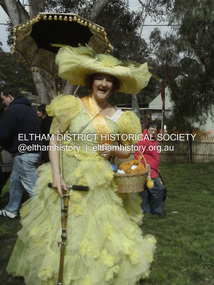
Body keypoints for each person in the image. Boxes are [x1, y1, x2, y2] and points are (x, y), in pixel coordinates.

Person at [7, 46, 156, 284]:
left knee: (97, 234)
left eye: (109, 80)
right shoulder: (72, 105)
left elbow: (127, 151)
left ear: (115, 86)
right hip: (65, 176)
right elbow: (54, 140)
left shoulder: (121, 117)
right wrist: (56, 176)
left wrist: (114, 149)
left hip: (99, 183)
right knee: (59, 232)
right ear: (91, 81)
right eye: (99, 78)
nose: (104, 84)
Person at [0, 86, 41, 218]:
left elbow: (4, 134)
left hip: (23, 154)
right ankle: (11, 210)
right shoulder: (31, 109)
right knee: (15, 182)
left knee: (34, 189)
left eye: (3, 99)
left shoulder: (13, 109)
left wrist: (5, 145)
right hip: (33, 151)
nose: (2, 102)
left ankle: (48, 216)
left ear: (10, 97)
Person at [134, 121, 165, 216]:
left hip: (153, 169)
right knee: (158, 189)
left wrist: (156, 167)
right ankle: (157, 210)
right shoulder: (143, 139)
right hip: (147, 170)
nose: (154, 131)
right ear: (146, 130)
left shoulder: (153, 139)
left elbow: (154, 155)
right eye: (152, 129)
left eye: (155, 130)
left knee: (145, 190)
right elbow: (138, 154)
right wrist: (143, 168)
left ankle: (145, 210)